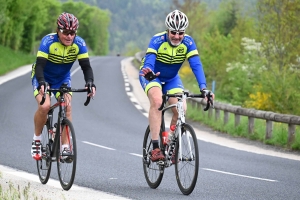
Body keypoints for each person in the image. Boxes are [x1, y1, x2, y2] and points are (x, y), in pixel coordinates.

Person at [139, 10, 214, 162]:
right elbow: (149, 61)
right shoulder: (157, 40)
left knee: (181, 109)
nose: (177, 36)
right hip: (152, 75)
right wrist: (149, 72)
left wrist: (204, 88)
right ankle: (155, 148)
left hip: (172, 78)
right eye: (173, 32)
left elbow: (196, 65)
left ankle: (170, 145)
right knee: (158, 101)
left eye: (181, 33)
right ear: (168, 30)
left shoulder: (188, 42)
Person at [31, 12, 96, 160]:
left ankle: (65, 147)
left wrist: (90, 82)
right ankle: (36, 139)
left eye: (72, 33)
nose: (69, 36)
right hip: (43, 76)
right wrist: (41, 82)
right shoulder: (48, 41)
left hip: (62, 79)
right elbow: (40, 65)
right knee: (45, 106)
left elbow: (86, 67)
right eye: (65, 32)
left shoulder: (79, 44)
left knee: (67, 106)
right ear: (58, 30)